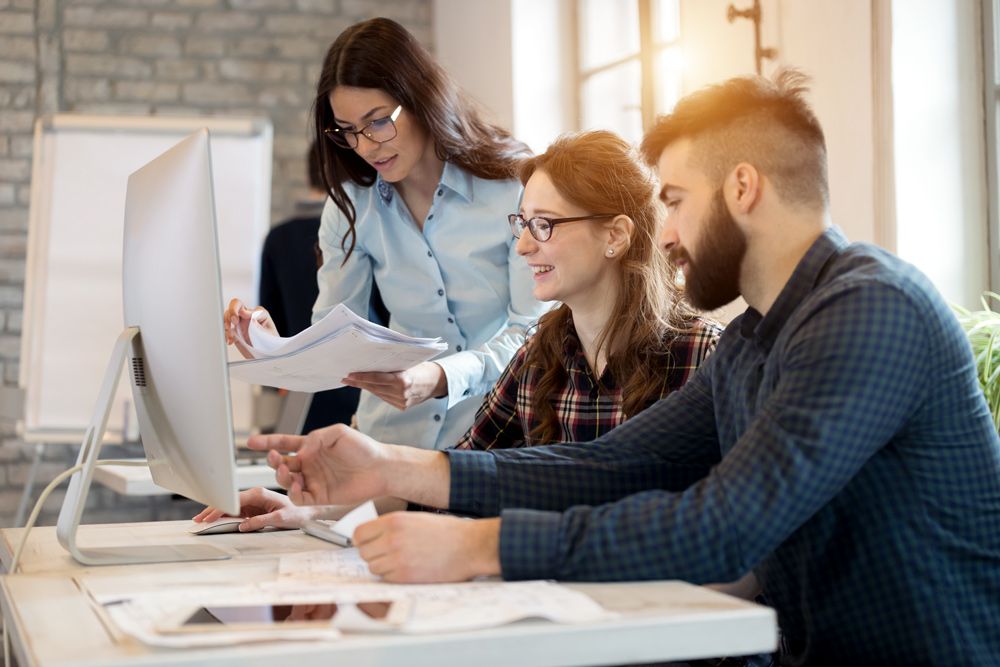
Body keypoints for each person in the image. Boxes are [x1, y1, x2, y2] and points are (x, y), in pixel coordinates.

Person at [250, 70, 1000, 665]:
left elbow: (725, 527)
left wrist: (481, 546)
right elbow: (616, 462)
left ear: (743, 187)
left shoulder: (870, 310)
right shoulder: (757, 336)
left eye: (674, 200)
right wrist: (395, 468)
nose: (664, 232)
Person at [195, 130, 722, 530]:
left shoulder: (700, 354)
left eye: (545, 225)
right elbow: (456, 479)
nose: (521, 247)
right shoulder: (541, 354)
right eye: (522, 224)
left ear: (616, 235)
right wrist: (312, 513)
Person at [225, 17, 548, 451]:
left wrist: (441, 376)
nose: (366, 145)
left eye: (377, 121)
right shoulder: (351, 205)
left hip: (497, 436)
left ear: (420, 98)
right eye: (348, 130)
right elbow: (337, 337)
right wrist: (272, 346)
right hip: (393, 441)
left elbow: (533, 329)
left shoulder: (513, 185)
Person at [258, 140, 389, 433]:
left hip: (303, 395)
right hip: (367, 388)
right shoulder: (364, 230)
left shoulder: (279, 239)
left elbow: (271, 323)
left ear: (308, 176)